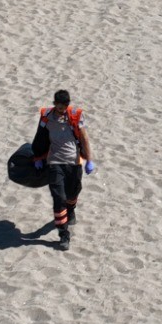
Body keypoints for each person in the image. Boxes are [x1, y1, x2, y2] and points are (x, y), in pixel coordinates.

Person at [29, 90, 93, 249]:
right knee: (59, 199)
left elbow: (84, 138)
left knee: (72, 193)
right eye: (59, 106)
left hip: (73, 162)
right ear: (54, 104)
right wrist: (38, 157)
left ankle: (71, 210)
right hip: (54, 163)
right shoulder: (47, 117)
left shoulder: (75, 117)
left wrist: (89, 160)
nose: (62, 109)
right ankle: (64, 235)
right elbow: (40, 137)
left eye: (64, 106)